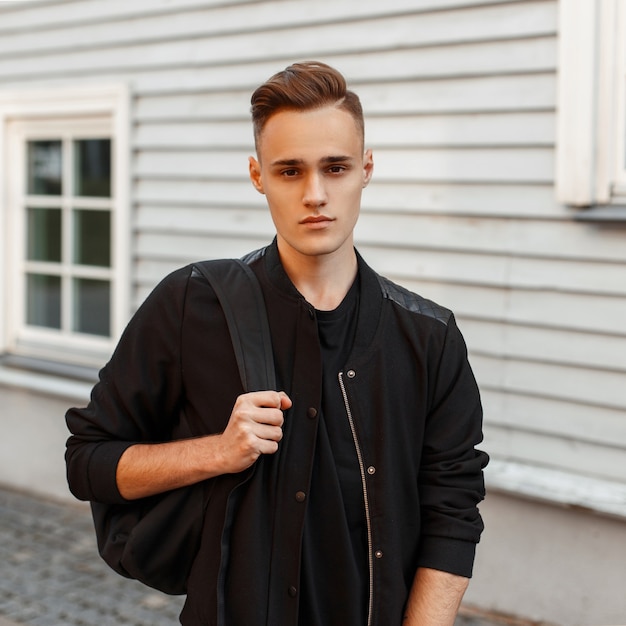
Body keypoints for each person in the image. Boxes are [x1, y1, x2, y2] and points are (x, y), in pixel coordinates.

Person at [66, 61, 488, 626]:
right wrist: (216, 451)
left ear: (366, 169)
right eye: (290, 171)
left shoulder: (429, 340)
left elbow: (452, 515)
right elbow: (87, 462)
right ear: (258, 175)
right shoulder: (193, 305)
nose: (315, 194)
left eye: (335, 167)